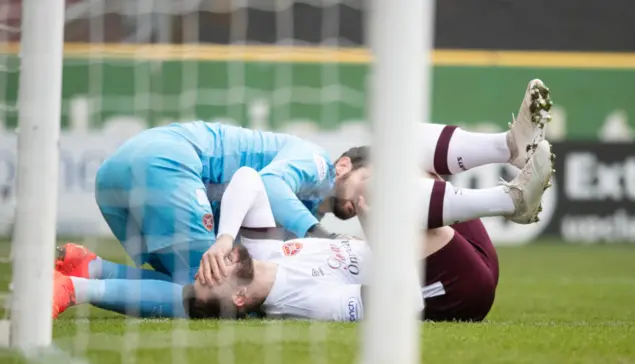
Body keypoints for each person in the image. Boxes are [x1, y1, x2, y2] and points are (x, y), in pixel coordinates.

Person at [52, 134, 554, 321]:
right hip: (455, 289)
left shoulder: (272, 253)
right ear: (241, 299)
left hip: (448, 252)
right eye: (215, 276)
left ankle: (507, 148)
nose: (213, 264)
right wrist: (376, 225)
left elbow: (252, 181)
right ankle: (508, 201)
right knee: (381, 191)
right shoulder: (302, 300)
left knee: (399, 141)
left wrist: (227, 238)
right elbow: (396, 298)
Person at [80, 121, 370, 285]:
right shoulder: (318, 164)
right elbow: (268, 183)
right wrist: (323, 238)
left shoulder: (298, 210)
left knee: (188, 284)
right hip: (168, 163)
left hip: (114, 176)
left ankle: (83, 267)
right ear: (343, 165)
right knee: (212, 289)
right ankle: (84, 277)